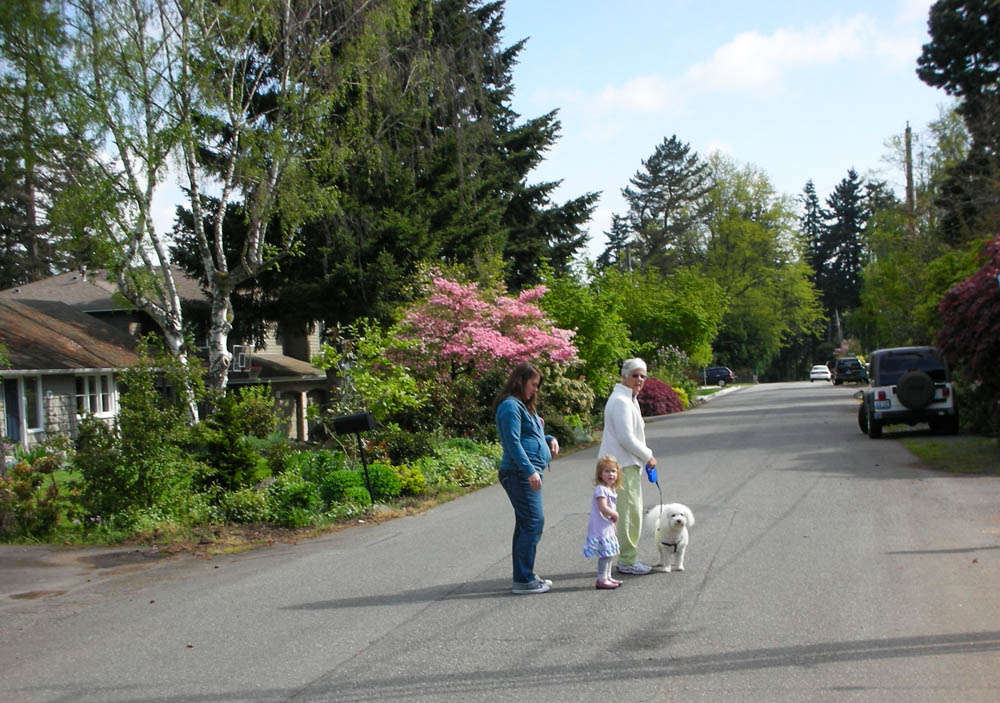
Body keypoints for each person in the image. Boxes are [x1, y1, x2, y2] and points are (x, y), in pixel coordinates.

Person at [494, 362, 560, 595]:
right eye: (533, 384)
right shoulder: (510, 406)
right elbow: (511, 442)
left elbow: (531, 434)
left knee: (526, 523)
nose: (535, 389)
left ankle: (524, 575)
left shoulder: (523, 406)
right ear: (520, 381)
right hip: (518, 473)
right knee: (533, 522)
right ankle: (523, 579)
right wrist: (529, 470)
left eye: (537, 385)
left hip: (524, 472)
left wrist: (549, 438)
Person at [599, 358, 657, 575]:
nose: (639, 379)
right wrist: (648, 456)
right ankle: (628, 560)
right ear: (624, 377)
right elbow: (626, 438)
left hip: (625, 464)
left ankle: (626, 558)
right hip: (622, 465)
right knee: (629, 515)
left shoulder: (630, 399)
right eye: (635, 375)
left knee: (628, 513)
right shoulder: (621, 402)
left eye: (643, 376)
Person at [584, 454, 625, 589]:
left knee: (609, 553)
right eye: (607, 471)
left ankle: (607, 576)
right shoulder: (601, 489)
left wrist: (612, 521)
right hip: (600, 527)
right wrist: (614, 514)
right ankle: (601, 578)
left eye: (613, 471)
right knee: (605, 554)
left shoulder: (611, 489)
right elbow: (603, 507)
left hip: (607, 526)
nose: (611, 474)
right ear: (600, 474)